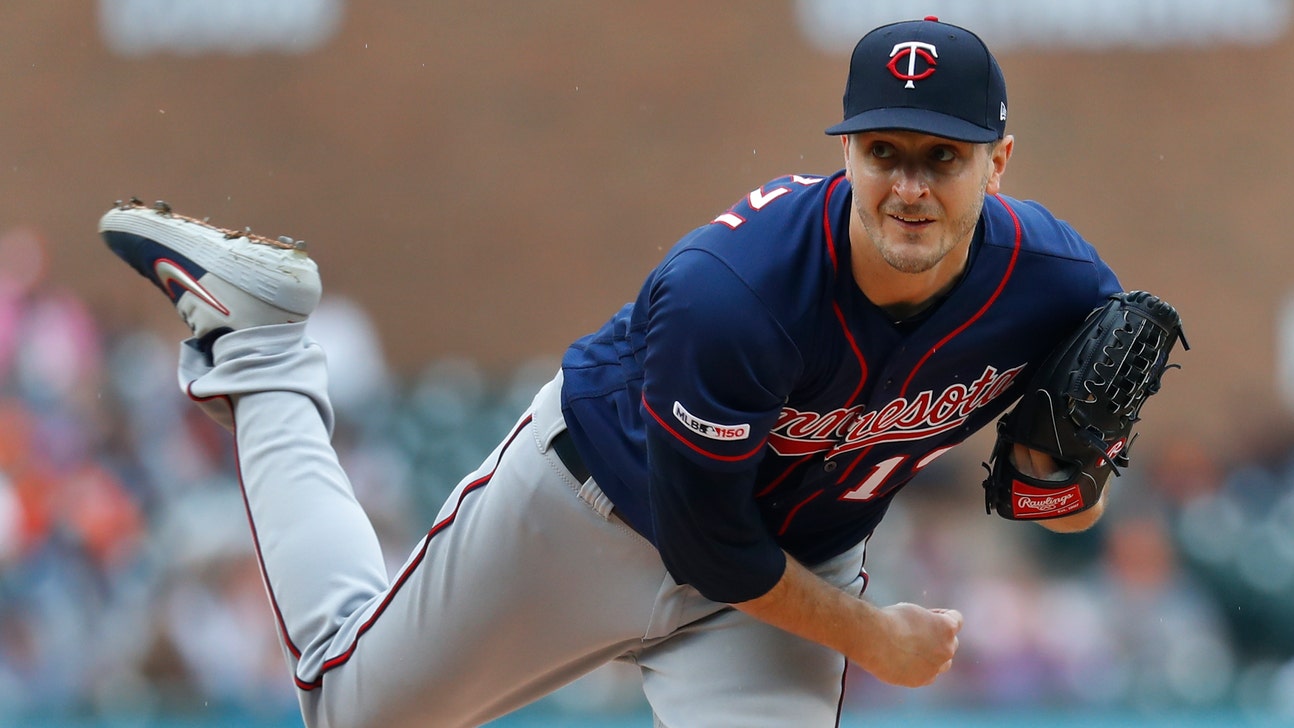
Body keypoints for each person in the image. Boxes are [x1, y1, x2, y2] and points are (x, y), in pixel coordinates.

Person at [99, 16, 1122, 728]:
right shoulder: (734, 290)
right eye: (883, 150)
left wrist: (1069, 481)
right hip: (591, 510)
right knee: (349, 709)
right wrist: (876, 638)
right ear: (844, 151)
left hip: (784, 571)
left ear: (998, 162)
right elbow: (710, 544)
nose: (907, 185)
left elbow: (1062, 507)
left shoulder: (1059, 287)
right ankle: (265, 346)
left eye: (940, 158)